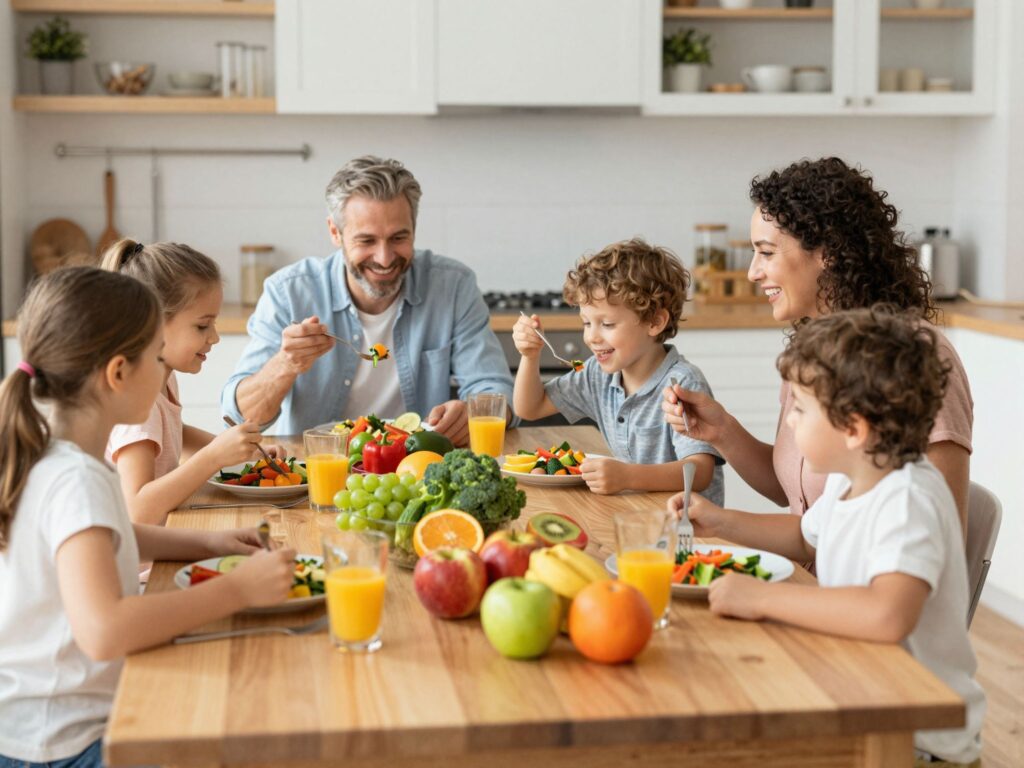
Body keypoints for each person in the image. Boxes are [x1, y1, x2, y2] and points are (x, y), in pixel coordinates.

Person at [0, 267, 295, 768]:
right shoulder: (76, 477)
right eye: (157, 358)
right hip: (62, 744)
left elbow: (105, 541)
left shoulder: (48, 448)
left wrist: (211, 544)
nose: (165, 373)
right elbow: (106, 631)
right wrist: (237, 591)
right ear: (118, 373)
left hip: (35, 729)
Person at [671, 308, 984, 768]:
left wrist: (760, 598)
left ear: (853, 428)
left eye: (800, 408)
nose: (790, 423)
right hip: (860, 694)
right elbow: (804, 536)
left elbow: (886, 613)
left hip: (914, 741)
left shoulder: (908, 498)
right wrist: (718, 520)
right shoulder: (850, 476)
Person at [664, 157, 973, 533]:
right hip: (812, 575)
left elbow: (942, 531)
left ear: (827, 252)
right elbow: (793, 492)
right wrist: (721, 431)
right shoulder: (813, 351)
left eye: (766, 252)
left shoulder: (912, 357)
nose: (752, 272)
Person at [221, 155, 514, 446]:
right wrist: (285, 364)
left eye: (399, 238)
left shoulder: (453, 286)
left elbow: (496, 390)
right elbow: (240, 417)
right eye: (367, 241)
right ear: (335, 232)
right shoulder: (288, 293)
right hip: (317, 470)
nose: (385, 258)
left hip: (417, 467)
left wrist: (471, 414)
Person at [513, 238, 724, 499]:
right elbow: (530, 408)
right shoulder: (596, 374)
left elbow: (700, 472)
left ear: (654, 322)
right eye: (586, 323)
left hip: (690, 529)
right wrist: (529, 356)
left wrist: (626, 476)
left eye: (608, 324)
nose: (591, 337)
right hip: (638, 516)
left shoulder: (682, 384)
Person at [103, 239, 273, 525]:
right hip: (145, 566)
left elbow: (170, 432)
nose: (214, 337)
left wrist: (238, 450)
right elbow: (137, 511)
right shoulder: (137, 404)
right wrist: (214, 457)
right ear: (151, 322)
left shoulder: (161, 381)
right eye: (202, 325)